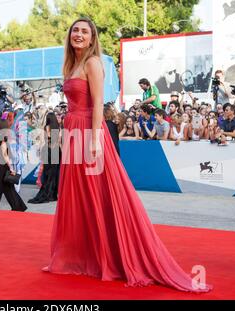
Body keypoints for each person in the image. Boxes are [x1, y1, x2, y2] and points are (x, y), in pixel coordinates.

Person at [42, 17, 211, 292]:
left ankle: (110, 257)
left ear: (93, 37)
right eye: (75, 30)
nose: (79, 34)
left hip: (89, 132)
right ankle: (81, 257)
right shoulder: (71, 64)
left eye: (85, 31)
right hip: (74, 132)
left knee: (98, 194)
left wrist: (95, 139)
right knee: (79, 195)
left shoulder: (92, 63)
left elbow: (97, 103)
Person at [0, 119, 27, 211]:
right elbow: (5, 155)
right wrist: (11, 168)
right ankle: (18, 206)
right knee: (5, 188)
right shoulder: (4, 139)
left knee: (2, 188)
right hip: (3, 166)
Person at [28, 112, 61, 204]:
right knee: (54, 174)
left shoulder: (46, 127)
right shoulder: (58, 127)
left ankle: (47, 193)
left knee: (47, 174)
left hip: (48, 150)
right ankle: (53, 194)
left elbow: (43, 141)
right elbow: (59, 140)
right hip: (57, 150)